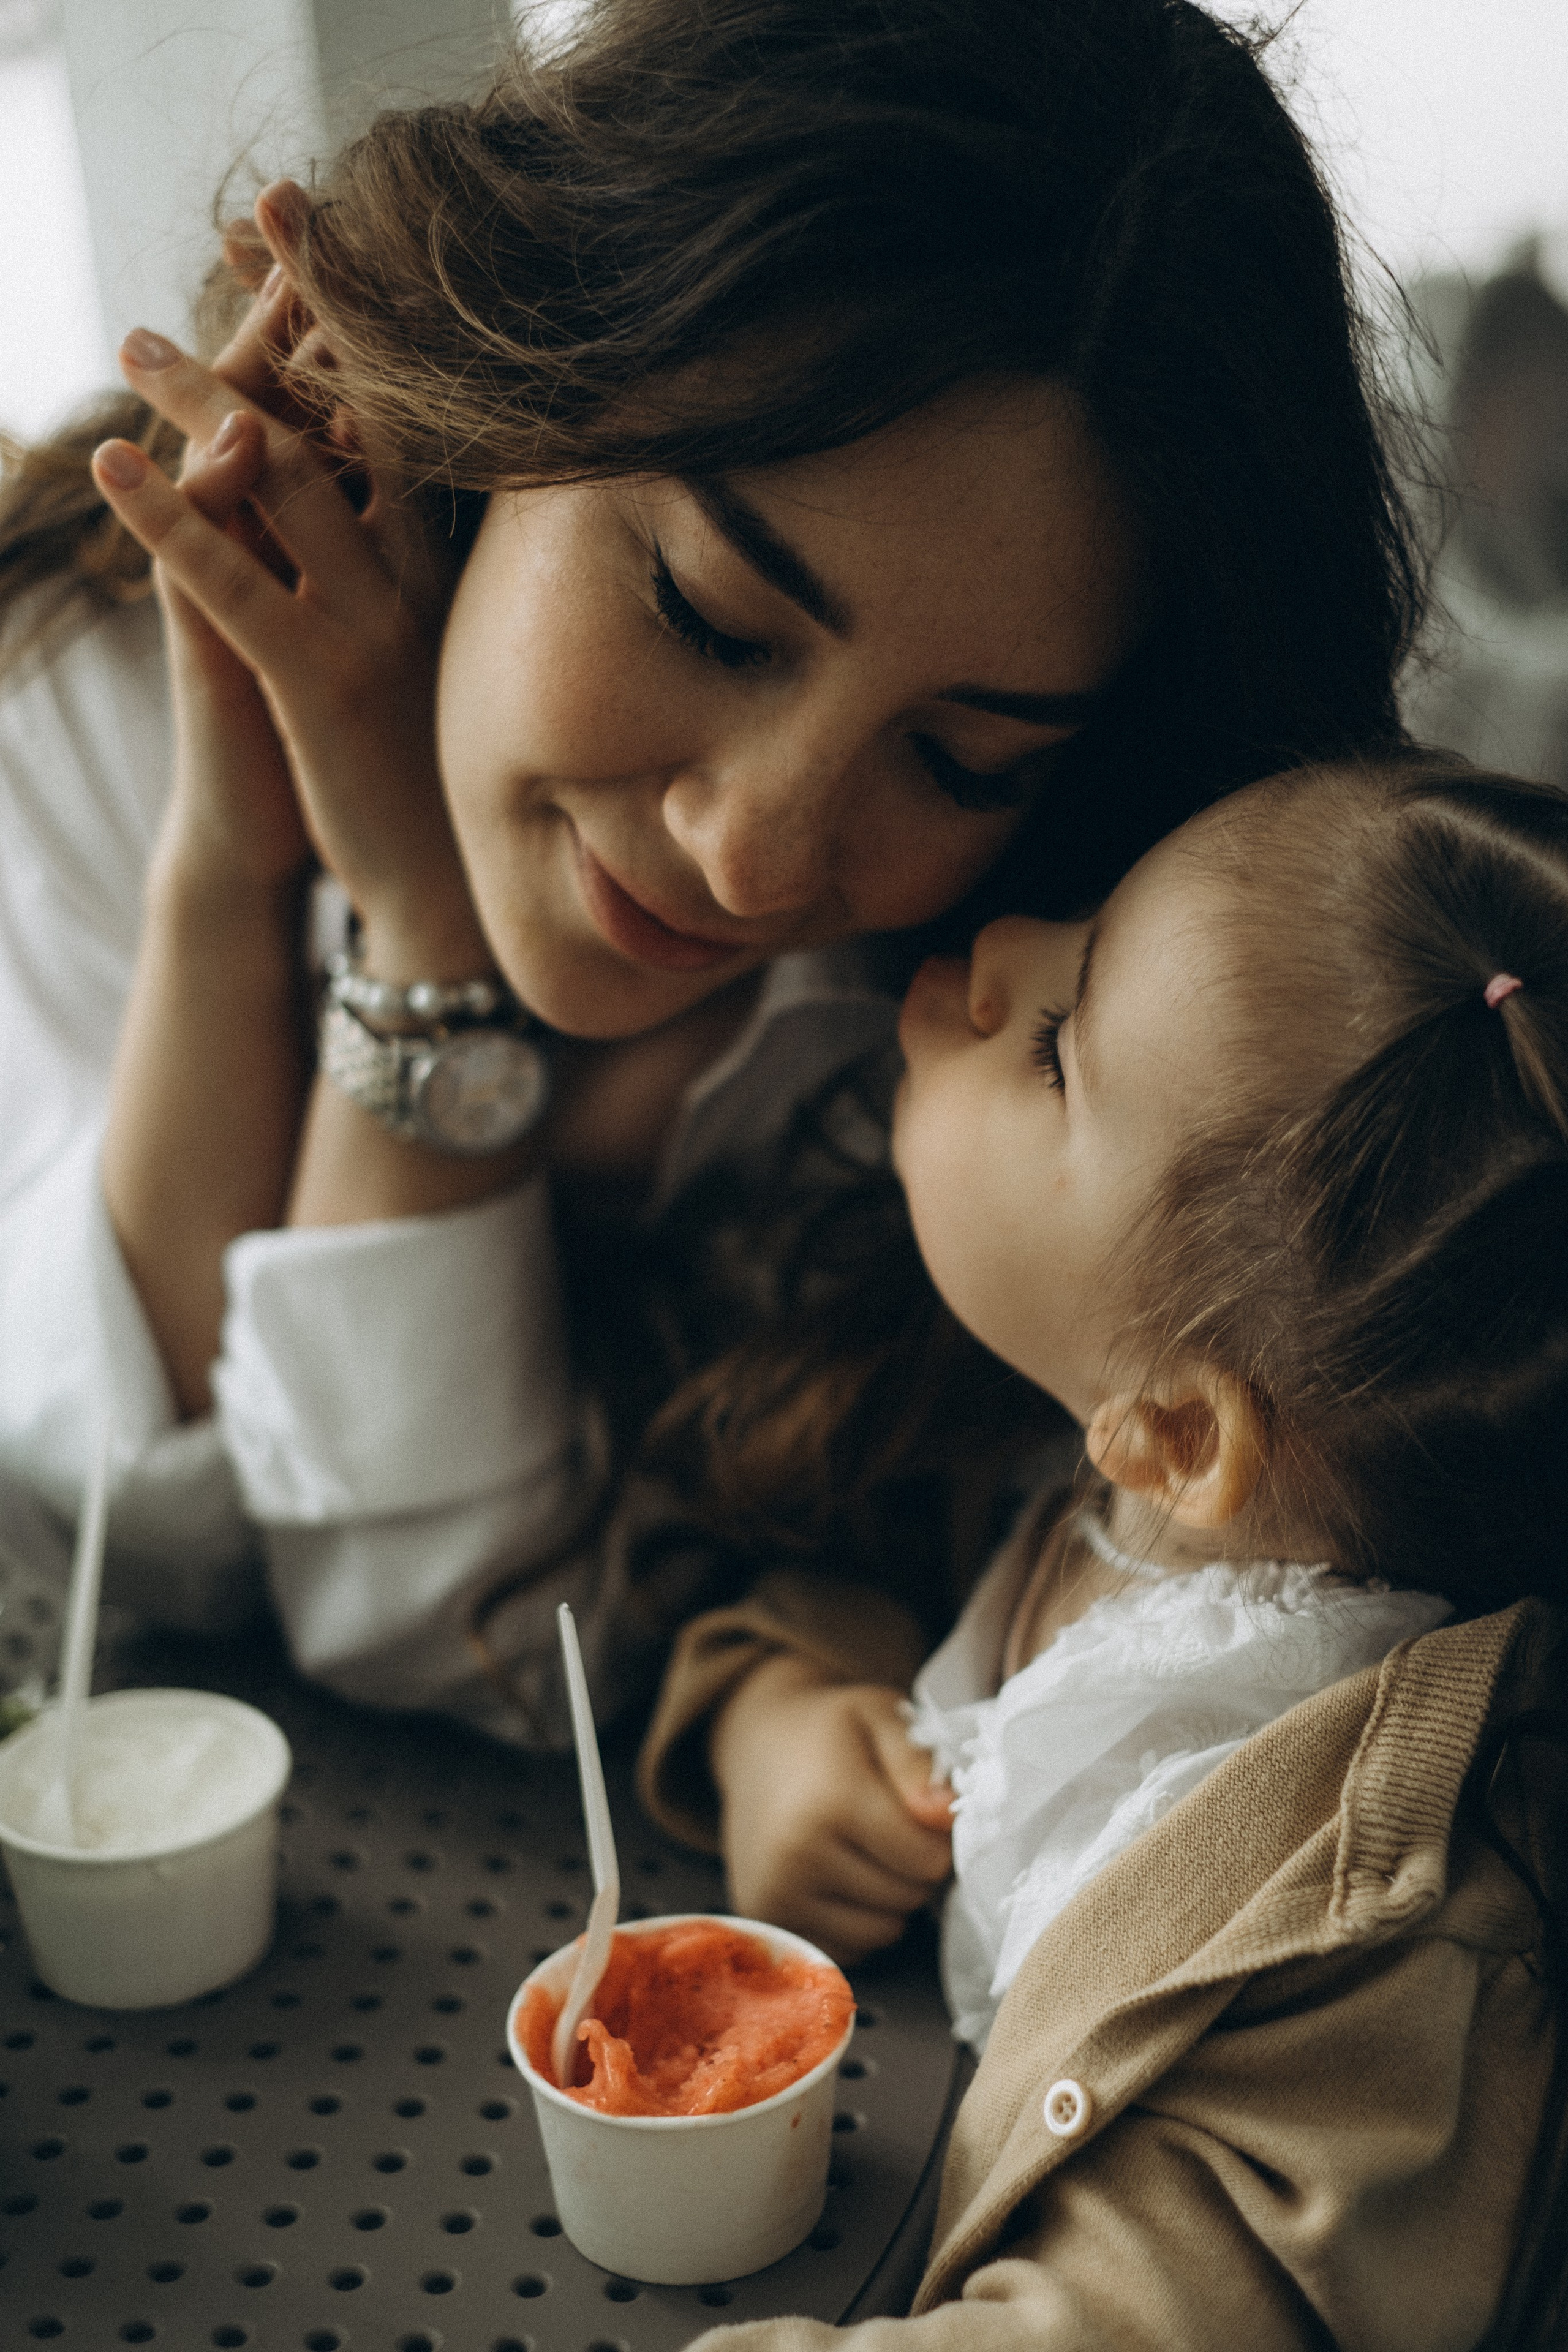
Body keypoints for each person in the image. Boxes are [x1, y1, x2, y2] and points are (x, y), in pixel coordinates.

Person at [0, 0, 1420, 1738]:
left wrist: (416, 922)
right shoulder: (93, 681)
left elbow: (456, 1634)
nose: (753, 856)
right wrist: (231, 870)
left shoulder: (1028, 1036)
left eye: (960, 759)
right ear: (506, 386)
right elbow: (133, 1548)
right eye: (703, 614)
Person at [643, 750, 1568, 2349]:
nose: (1002, 946)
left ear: (1184, 1439)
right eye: (1084, 919)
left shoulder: (1374, 1957)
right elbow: (858, 1594)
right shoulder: (1078, 1473)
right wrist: (769, 1717)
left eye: (1061, 1047)